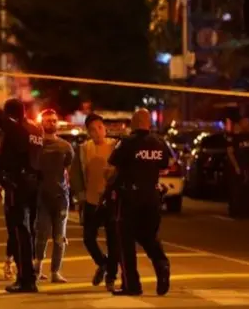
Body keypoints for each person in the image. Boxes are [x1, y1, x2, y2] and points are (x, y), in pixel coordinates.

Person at [0, 78, 42, 293]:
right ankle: (27, 276)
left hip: (19, 186)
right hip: (32, 185)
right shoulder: (35, 131)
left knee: (19, 232)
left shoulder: (18, 129)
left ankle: (26, 279)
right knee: (27, 231)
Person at [107, 109, 172, 296]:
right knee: (149, 236)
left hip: (130, 197)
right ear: (149, 124)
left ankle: (131, 285)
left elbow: (113, 162)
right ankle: (162, 265)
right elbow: (165, 165)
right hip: (151, 196)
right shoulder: (159, 143)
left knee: (126, 241)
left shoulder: (127, 142)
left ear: (134, 123)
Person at [69, 113, 120, 291]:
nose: (96, 132)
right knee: (88, 238)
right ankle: (103, 263)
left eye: (99, 127)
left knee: (114, 240)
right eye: (92, 129)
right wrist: (80, 195)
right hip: (91, 201)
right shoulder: (84, 149)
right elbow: (75, 174)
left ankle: (111, 276)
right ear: (88, 132)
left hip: (112, 201)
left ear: (104, 128)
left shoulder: (116, 146)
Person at [33, 110, 74, 283]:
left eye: (54, 120)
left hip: (61, 197)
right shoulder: (36, 144)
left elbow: (68, 167)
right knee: (42, 234)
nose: (51, 123)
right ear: (42, 123)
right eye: (48, 120)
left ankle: (55, 272)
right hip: (41, 196)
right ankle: (37, 269)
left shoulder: (65, 146)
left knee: (60, 237)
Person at [226, 115, 249, 218]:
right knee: (236, 190)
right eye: (245, 122)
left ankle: (245, 211)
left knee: (246, 189)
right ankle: (235, 211)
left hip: (247, 167)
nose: (247, 124)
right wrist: (236, 166)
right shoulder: (233, 137)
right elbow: (230, 152)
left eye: (248, 122)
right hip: (236, 167)